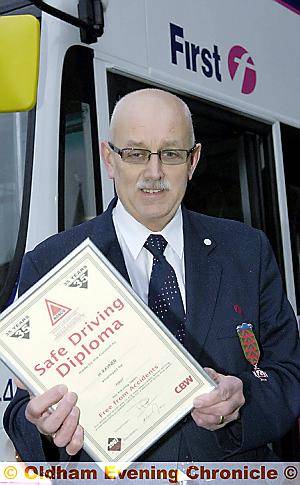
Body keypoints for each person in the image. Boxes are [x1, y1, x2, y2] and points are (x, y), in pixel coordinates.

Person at [4, 89, 300, 462]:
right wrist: (43, 427)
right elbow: (21, 412)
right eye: (136, 153)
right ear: (109, 159)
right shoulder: (51, 263)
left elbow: (289, 375)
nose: (154, 172)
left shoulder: (246, 249)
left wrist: (242, 404)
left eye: (171, 154)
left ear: (193, 161)